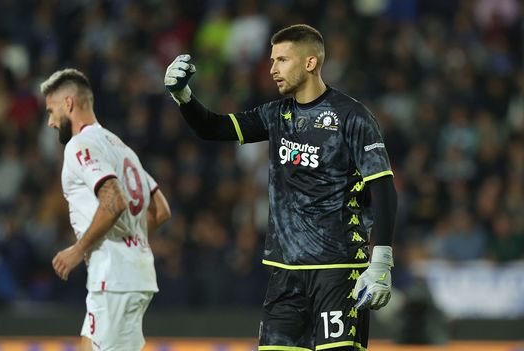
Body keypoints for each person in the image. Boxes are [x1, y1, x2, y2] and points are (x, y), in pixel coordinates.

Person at [164, 24, 397, 351]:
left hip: (338, 269)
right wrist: (183, 96)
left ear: (310, 63)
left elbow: (384, 189)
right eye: (272, 60)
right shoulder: (275, 115)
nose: (272, 69)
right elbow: (212, 128)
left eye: (282, 60)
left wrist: (381, 262)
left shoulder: (352, 117)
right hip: (286, 274)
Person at [41, 68, 171, 351]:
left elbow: (113, 200)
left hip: (113, 278)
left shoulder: (80, 145)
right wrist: (131, 243)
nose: (50, 122)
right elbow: (161, 210)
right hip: (128, 275)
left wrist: (77, 249)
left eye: (51, 111)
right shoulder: (121, 147)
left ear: (69, 104)